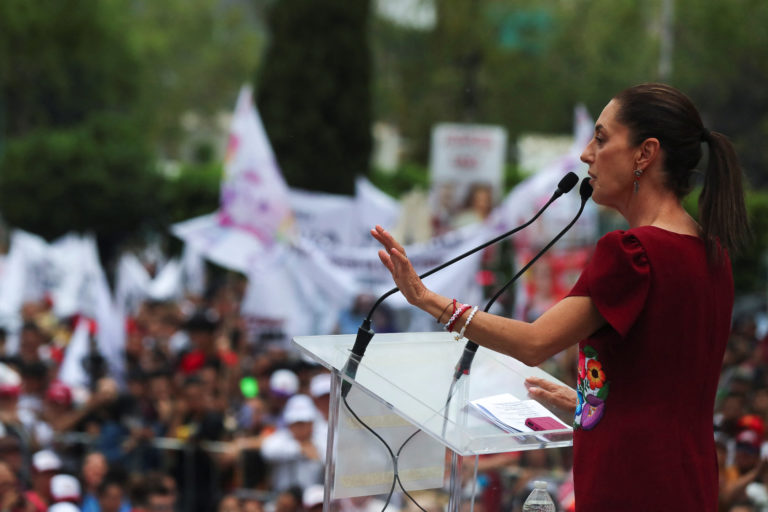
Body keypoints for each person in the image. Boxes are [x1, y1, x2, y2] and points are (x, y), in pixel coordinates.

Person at [371, 83, 749, 511]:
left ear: (645, 154)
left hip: (630, 482)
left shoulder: (632, 252)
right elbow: (666, 387)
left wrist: (427, 299)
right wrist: (592, 405)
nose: (587, 153)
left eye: (602, 139)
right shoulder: (711, 253)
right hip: (688, 481)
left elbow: (535, 344)